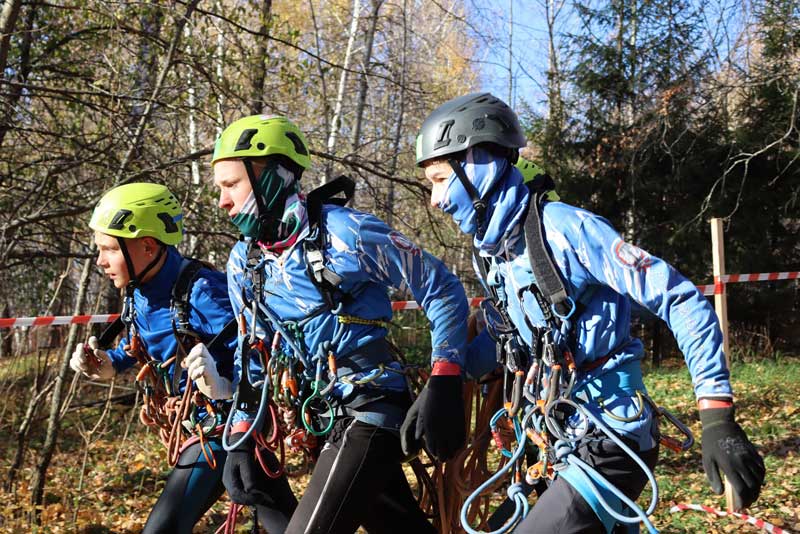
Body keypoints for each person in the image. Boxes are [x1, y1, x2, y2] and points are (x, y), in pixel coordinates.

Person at [414, 92, 766, 532]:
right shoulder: (493, 257)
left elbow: (678, 296)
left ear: (479, 165)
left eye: (441, 179)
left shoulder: (566, 229)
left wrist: (716, 415)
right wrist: (444, 382)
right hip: (558, 442)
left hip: (615, 440)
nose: (434, 199)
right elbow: (511, 341)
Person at [199, 113, 469, 534]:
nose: (222, 201)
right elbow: (254, 355)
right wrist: (240, 434)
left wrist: (445, 377)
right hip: (323, 414)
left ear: (273, 177)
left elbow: (441, 288)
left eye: (231, 185)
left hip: (371, 406)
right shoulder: (244, 263)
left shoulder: (347, 233)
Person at [69, 182, 297, 533]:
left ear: (146, 246)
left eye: (109, 249)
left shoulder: (203, 291)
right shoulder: (138, 291)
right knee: (288, 524)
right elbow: (140, 346)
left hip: (223, 428)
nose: (100, 261)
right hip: (215, 430)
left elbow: (260, 350)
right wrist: (109, 364)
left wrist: (225, 386)